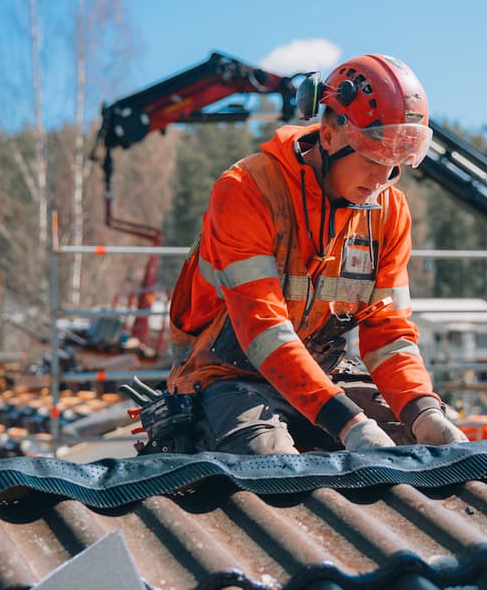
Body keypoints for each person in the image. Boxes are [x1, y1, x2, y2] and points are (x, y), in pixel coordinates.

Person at [166, 54, 469, 455]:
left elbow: (389, 331)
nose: (382, 179)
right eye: (373, 157)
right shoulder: (247, 190)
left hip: (321, 373)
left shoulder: (389, 212)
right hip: (224, 375)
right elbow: (264, 329)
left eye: (396, 163)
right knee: (270, 464)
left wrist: (423, 412)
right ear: (329, 135)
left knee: (424, 446)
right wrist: (348, 423)